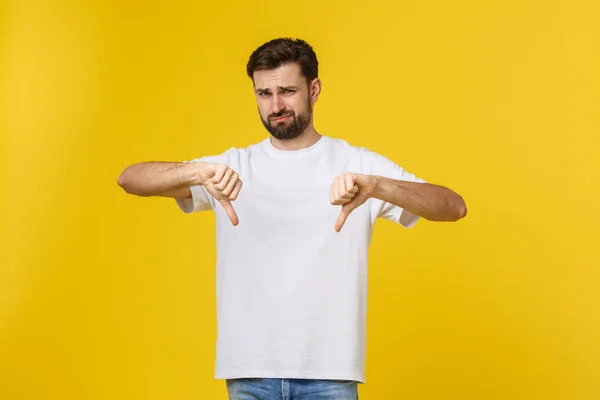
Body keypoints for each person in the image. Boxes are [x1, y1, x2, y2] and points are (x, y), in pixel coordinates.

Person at [118, 37, 467, 400]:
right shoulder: (229, 167)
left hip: (330, 374)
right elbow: (130, 179)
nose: (276, 105)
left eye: (287, 91)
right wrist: (195, 174)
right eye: (264, 93)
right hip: (248, 372)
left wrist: (378, 186)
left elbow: (453, 206)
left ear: (313, 90)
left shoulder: (359, 165)